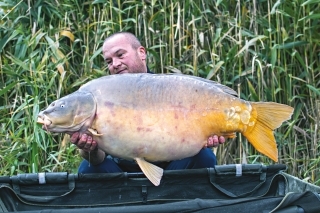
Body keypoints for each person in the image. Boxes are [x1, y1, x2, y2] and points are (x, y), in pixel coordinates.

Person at [70, 32, 226, 173]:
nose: (115, 64)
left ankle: (182, 205)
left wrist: (206, 136)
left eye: (120, 55)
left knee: (205, 157)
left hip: (172, 167)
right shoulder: (101, 97)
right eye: (109, 61)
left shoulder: (169, 88)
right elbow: (98, 158)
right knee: (88, 168)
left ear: (141, 53)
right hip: (123, 171)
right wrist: (89, 150)